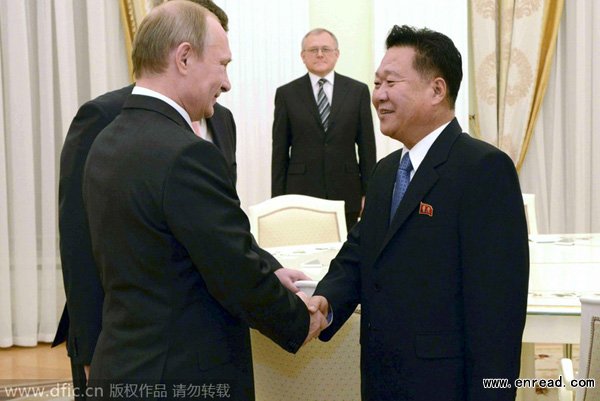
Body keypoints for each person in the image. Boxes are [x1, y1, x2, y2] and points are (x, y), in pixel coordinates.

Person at [53, 1, 311, 399]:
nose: (227, 83)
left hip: (125, 363)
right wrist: (299, 320)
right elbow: (232, 271)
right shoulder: (184, 151)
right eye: (222, 64)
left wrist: (266, 271)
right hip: (179, 372)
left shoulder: (110, 139)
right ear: (185, 57)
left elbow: (206, 235)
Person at [309, 25, 529, 401]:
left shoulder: (482, 169)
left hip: (444, 385)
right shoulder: (384, 171)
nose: (378, 95)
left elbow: (498, 316)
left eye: (390, 82)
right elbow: (360, 257)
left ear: (437, 90)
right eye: (376, 84)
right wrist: (324, 301)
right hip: (382, 380)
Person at [271, 28, 376, 230]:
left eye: (326, 49)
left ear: (337, 54)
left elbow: (367, 147)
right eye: (313, 50)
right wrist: (278, 201)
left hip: (347, 192)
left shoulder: (358, 91)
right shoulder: (286, 94)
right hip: (301, 194)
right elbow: (280, 151)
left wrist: (368, 193)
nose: (320, 54)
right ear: (303, 56)